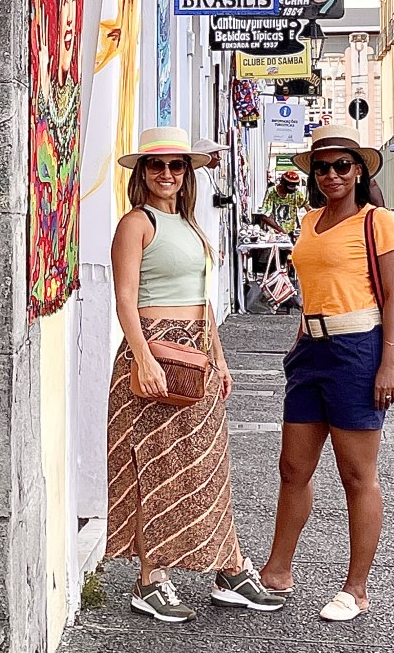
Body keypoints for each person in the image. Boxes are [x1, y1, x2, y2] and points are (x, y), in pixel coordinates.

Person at [105, 126, 284, 622]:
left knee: (206, 464)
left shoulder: (190, 225)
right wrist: (142, 358)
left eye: (176, 165)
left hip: (195, 350)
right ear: (143, 173)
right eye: (157, 165)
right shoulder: (136, 223)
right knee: (154, 464)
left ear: (187, 174)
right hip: (154, 348)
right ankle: (150, 579)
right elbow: (124, 300)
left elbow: (203, 301)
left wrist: (220, 358)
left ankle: (228, 567)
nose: (166, 173)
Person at [259, 125, 394, 621]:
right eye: (321, 167)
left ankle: (356, 589)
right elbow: (315, 284)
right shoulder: (309, 221)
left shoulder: (377, 221)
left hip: (357, 350)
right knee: (292, 468)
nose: (331, 175)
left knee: (357, 475)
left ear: (359, 170)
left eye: (342, 165)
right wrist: (299, 340)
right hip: (310, 351)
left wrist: (387, 361)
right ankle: (277, 571)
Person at [256, 170, 310, 236]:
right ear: (282, 183)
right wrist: (280, 230)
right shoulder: (272, 192)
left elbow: (308, 208)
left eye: (294, 186)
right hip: (275, 233)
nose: (292, 189)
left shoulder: (296, 193)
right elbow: (264, 216)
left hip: (292, 232)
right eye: (290, 186)